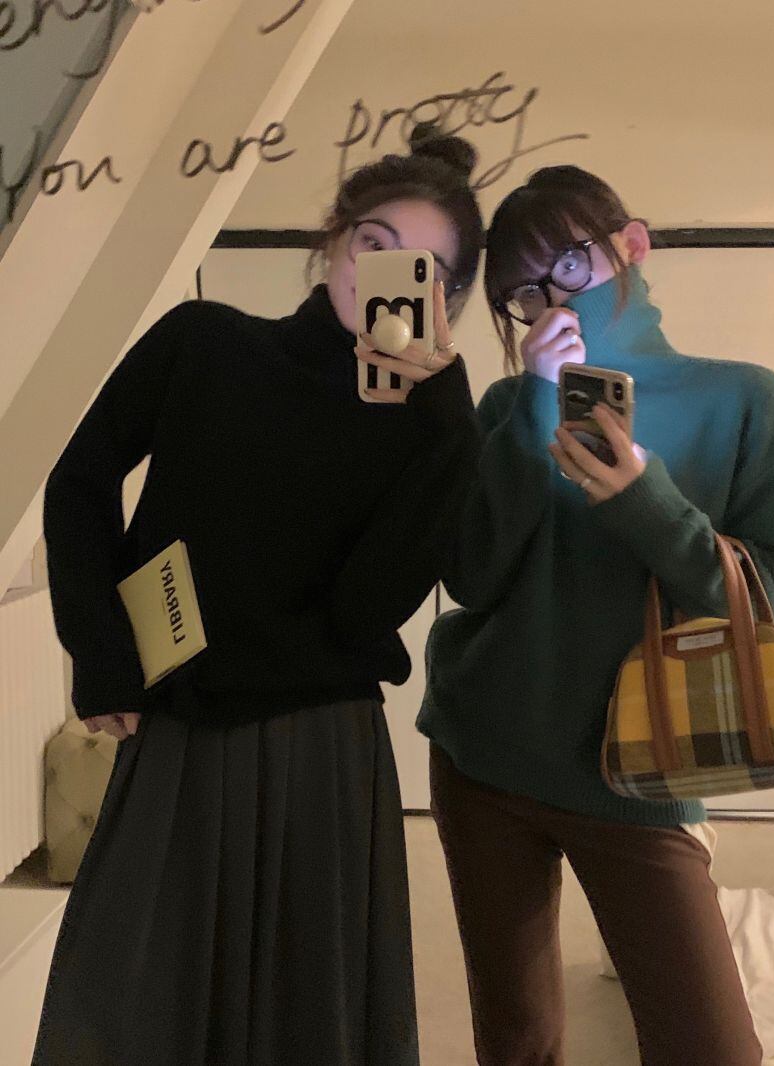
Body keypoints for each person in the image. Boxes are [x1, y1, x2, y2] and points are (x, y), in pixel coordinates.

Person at [34, 125, 484, 1066]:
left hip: (325, 753)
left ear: (448, 300)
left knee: (304, 1023)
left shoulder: (427, 427)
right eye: (374, 242)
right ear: (333, 239)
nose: (387, 275)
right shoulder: (204, 341)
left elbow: (366, 611)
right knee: (129, 1012)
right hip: (181, 734)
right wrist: (101, 657)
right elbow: (79, 481)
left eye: (425, 269)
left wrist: (447, 423)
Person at [418, 165, 774, 1066]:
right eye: (524, 293)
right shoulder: (510, 405)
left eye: (569, 265)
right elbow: (472, 577)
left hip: (640, 773)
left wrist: (643, 500)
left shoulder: (745, 400)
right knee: (517, 1040)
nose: (553, 302)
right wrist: (533, 407)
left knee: (710, 1048)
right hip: (485, 754)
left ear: (632, 245)